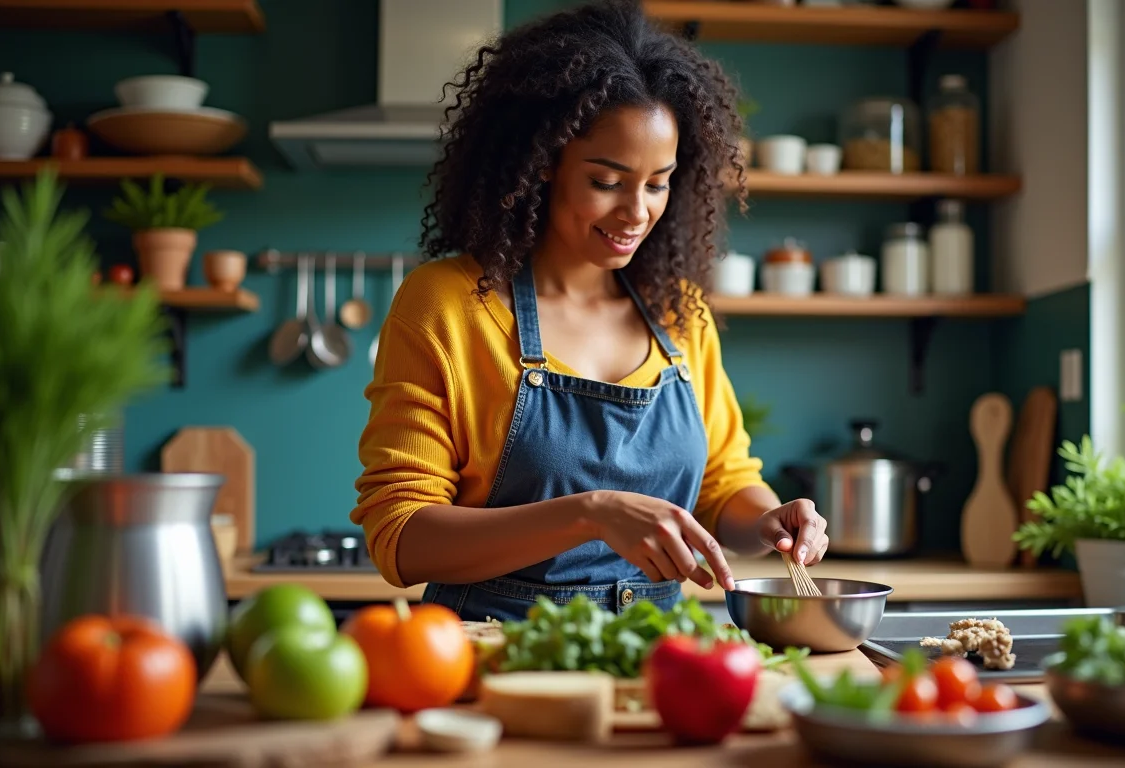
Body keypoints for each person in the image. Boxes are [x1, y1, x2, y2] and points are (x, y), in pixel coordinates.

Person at [349, 0, 828, 623]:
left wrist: (767, 520)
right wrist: (589, 513)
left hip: (653, 656)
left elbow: (720, 484)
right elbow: (400, 538)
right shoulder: (446, 306)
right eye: (607, 181)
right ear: (543, 163)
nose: (637, 212)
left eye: (658, 182)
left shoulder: (679, 316)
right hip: (492, 656)